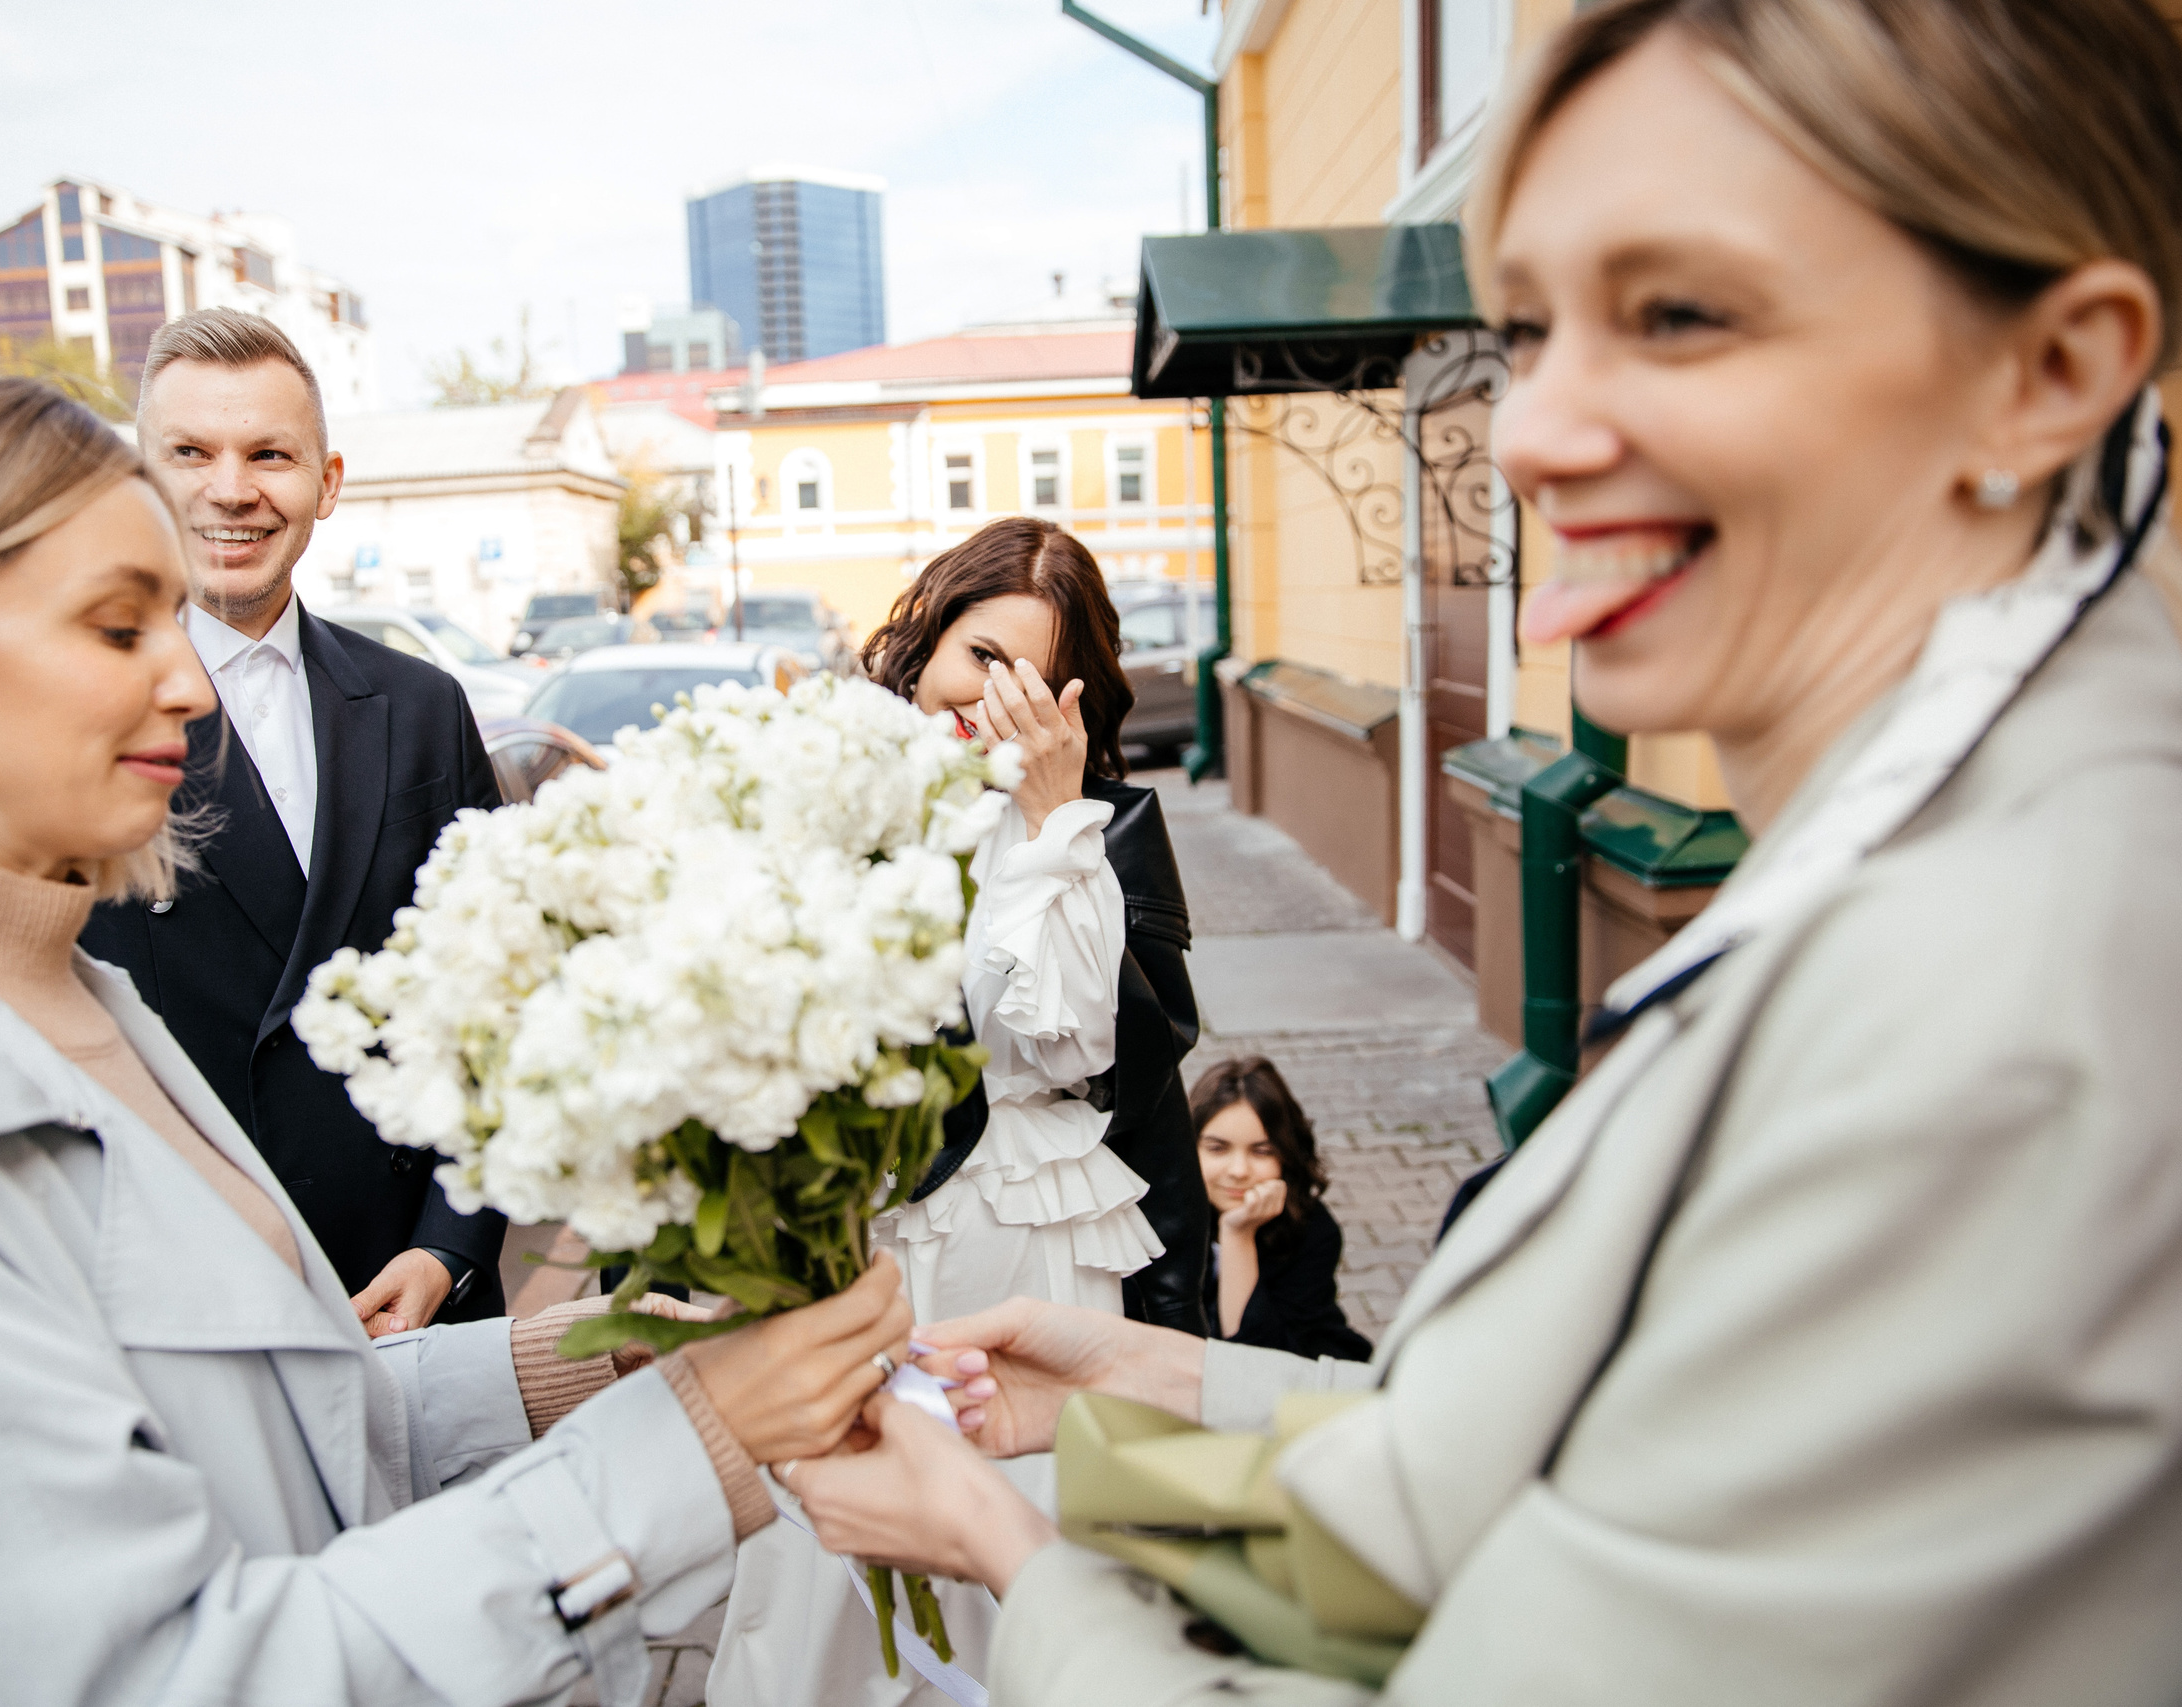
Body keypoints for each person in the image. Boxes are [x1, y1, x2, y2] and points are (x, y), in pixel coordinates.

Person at [781, 0, 2182, 1699]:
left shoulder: (2005, 993)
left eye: (1678, 314)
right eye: (1530, 331)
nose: (1531, 431)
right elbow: (1590, 1472)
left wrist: (1007, 1547)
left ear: (2051, 372)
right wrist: (1156, 1392)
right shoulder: (1946, 840)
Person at [0, 371, 918, 1705]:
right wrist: (686, 1448)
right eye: (121, 626)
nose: (192, 680)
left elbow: (262, 1426)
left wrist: (586, 1360)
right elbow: (154, 1671)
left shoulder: (52, 991)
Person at [710, 517, 1206, 1706]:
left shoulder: (1087, 838)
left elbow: (1070, 1037)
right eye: (977, 655)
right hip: (855, 1226)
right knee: (829, 1530)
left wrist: (1048, 824)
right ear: (925, 640)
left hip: (1024, 1239)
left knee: (1005, 1527)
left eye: (1030, 675)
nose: (990, 697)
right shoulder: (831, 783)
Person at [80, 309, 507, 1338]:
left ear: (327, 481)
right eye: (191, 453)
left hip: (416, 1286)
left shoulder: (421, 705)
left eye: (269, 453)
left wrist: (449, 1241)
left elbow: (499, 996)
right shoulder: (76, 716)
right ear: (141, 476)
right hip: (193, 1298)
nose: (232, 489)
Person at [1190, 1057, 1373, 1363]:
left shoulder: (1312, 1230)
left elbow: (1257, 1360)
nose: (1238, 1170)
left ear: (1286, 1156)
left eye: (1262, 1151)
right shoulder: (1156, 1219)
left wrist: (1238, 1235)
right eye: (1217, 1148)